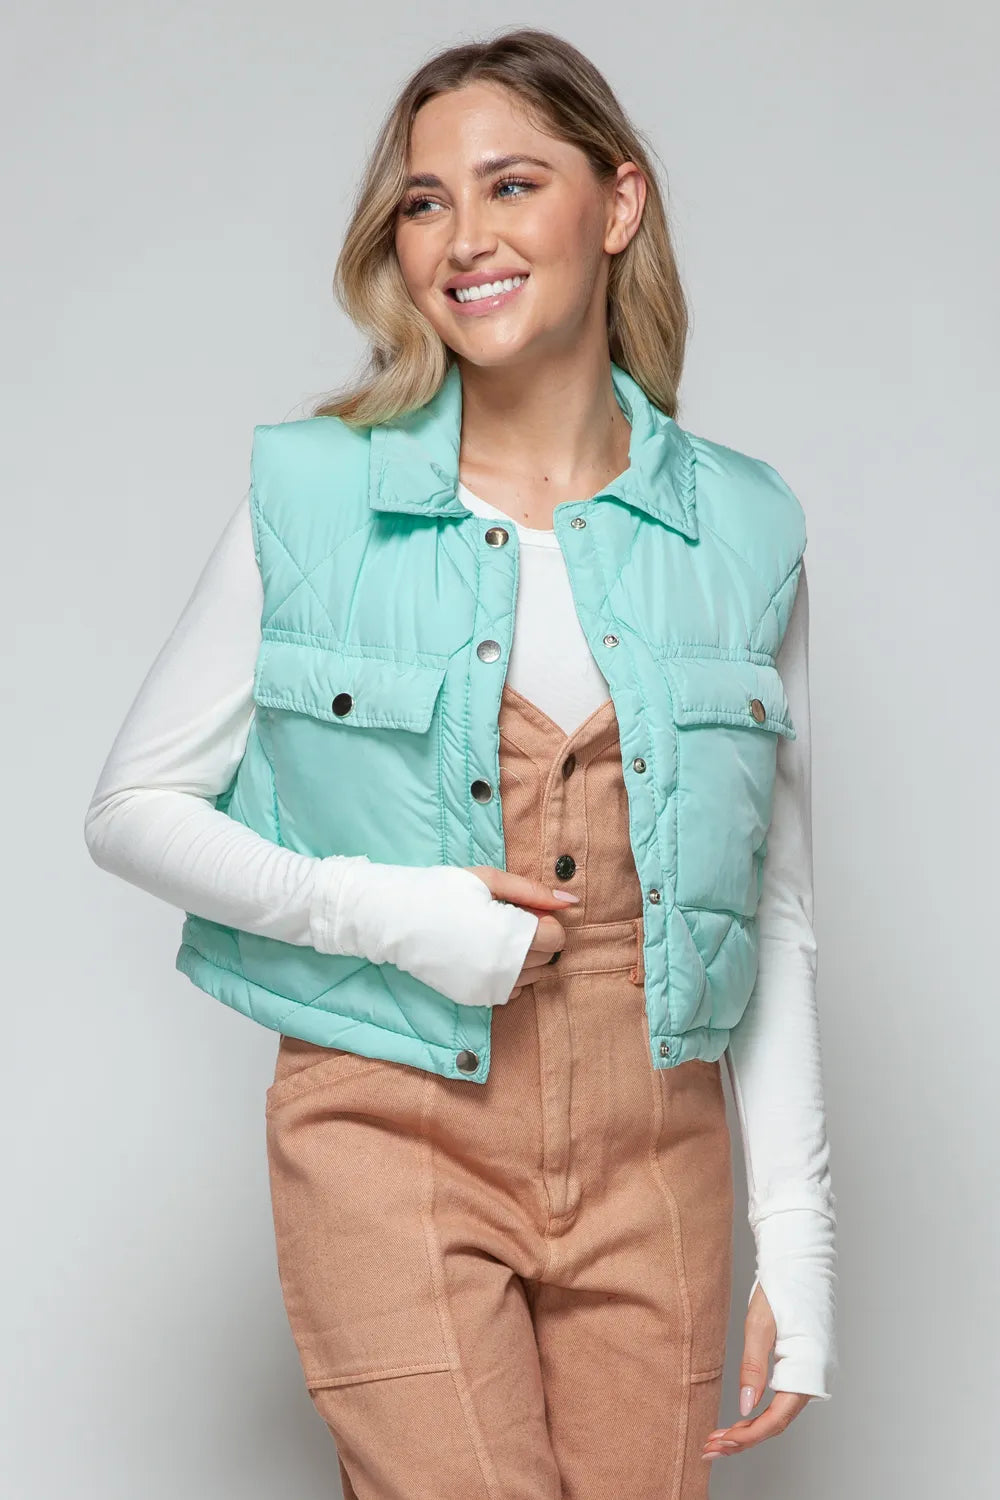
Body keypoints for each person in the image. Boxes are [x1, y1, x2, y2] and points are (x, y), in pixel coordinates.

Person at [83, 26, 837, 1499]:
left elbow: (776, 907)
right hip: (391, 1123)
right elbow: (131, 810)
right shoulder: (313, 494)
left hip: (657, 1154)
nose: (463, 237)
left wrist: (799, 1251)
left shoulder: (748, 528)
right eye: (426, 200)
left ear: (617, 204)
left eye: (511, 185)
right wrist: (395, 912)